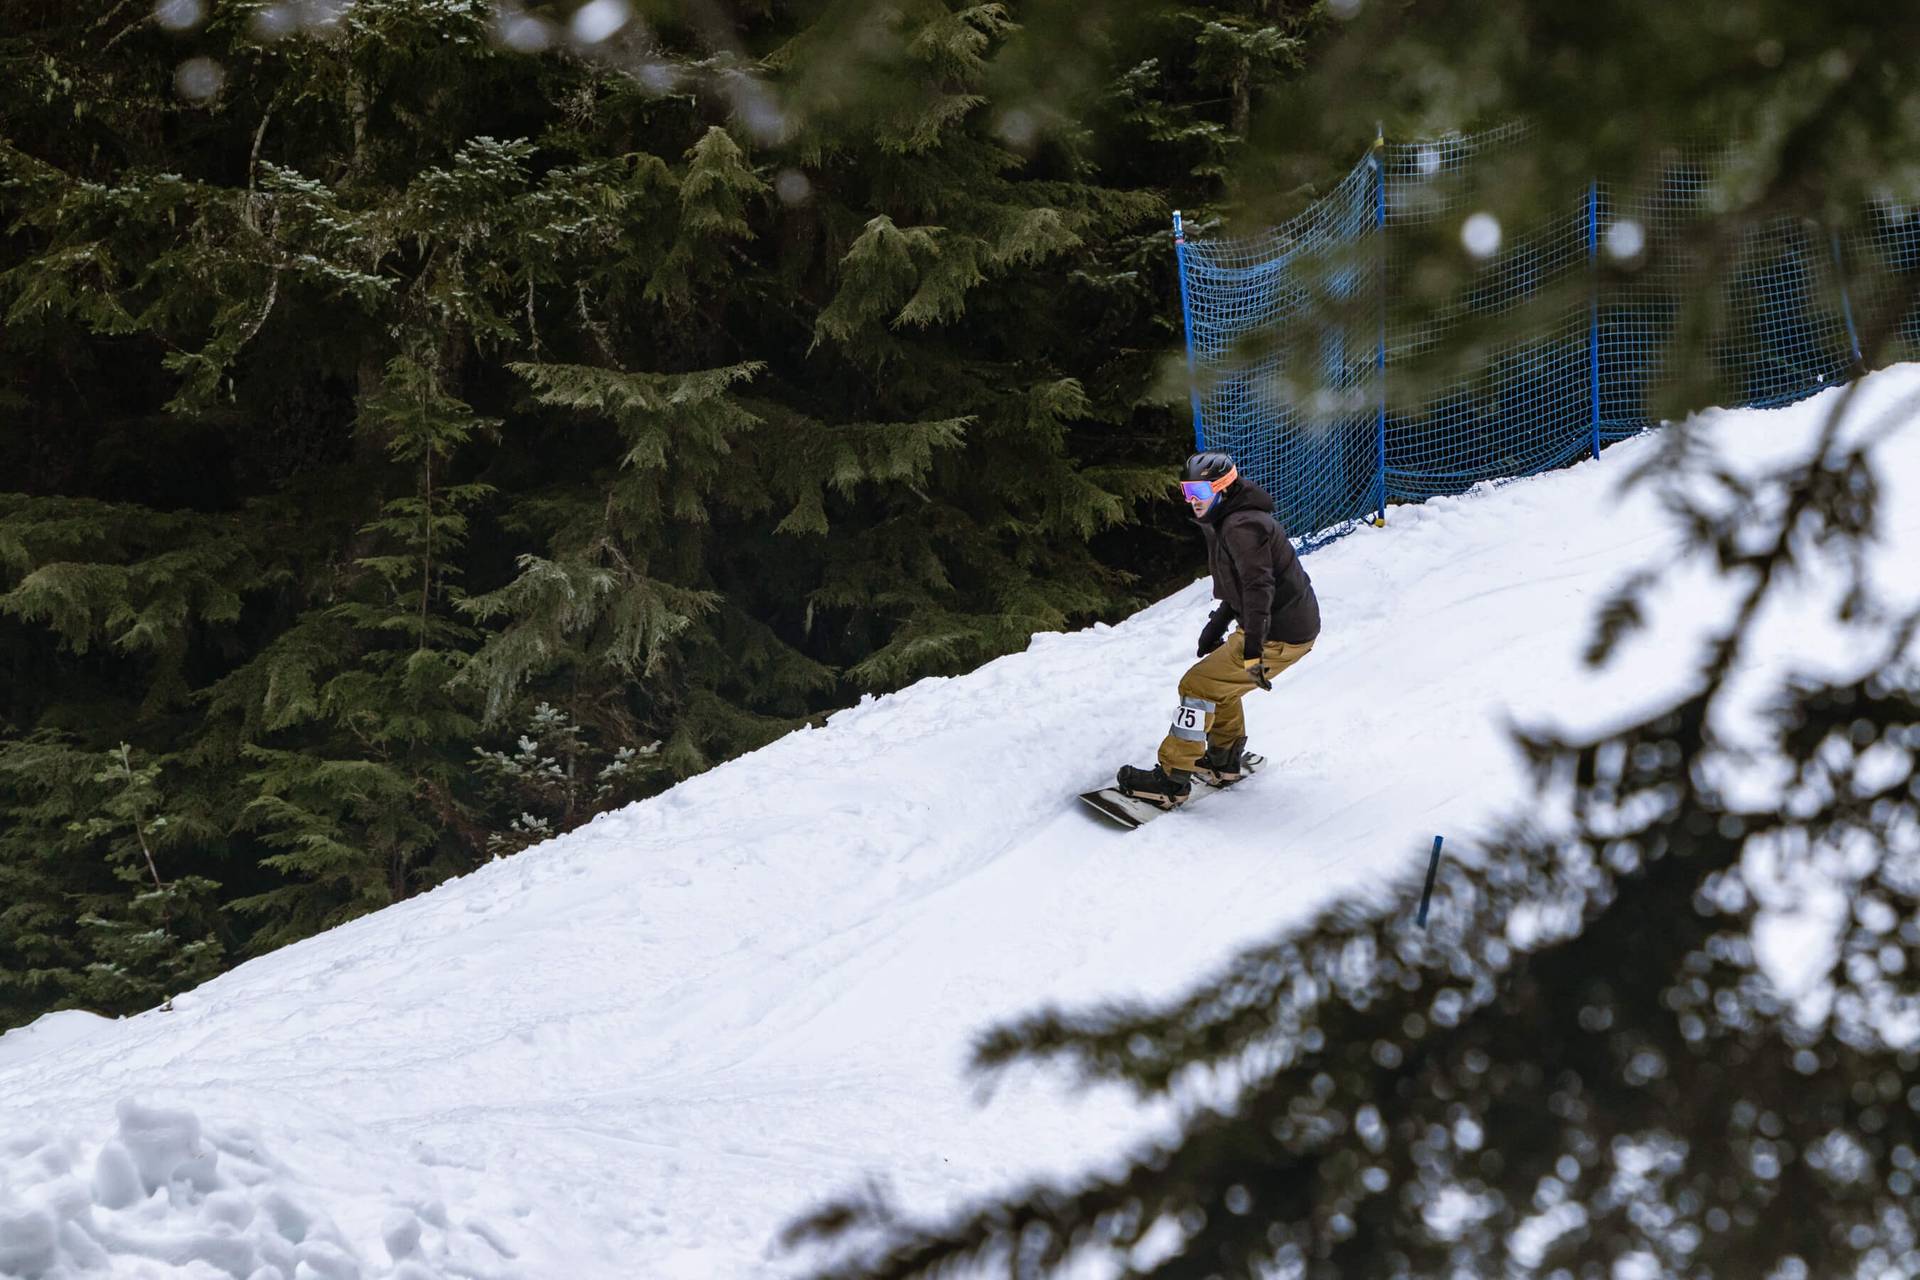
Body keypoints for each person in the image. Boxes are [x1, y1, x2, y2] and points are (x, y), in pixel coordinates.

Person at [1115, 450, 1321, 807]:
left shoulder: (1240, 527)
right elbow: (1241, 585)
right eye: (1187, 492)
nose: (1193, 501)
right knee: (1217, 685)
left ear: (1223, 489)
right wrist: (1219, 623)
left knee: (1196, 686)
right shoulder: (1233, 519)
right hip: (1278, 626)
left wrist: (1253, 649)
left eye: (1201, 493)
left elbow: (1259, 588)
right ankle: (1224, 762)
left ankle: (1172, 781)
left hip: (1277, 634)